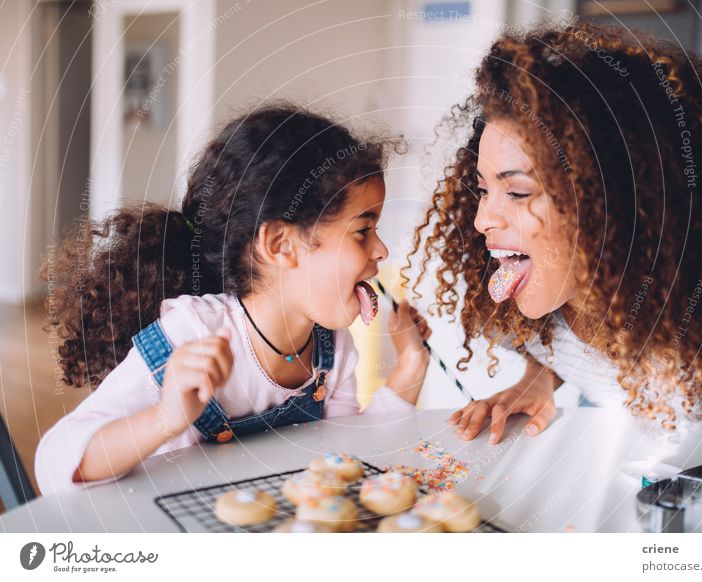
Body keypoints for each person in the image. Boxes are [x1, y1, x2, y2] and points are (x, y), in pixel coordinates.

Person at [406, 22, 702, 443]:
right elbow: (550, 348)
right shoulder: (517, 297)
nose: (484, 219)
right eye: (483, 190)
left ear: (615, 203)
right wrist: (537, 379)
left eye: (518, 192)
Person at [36, 104, 431, 494]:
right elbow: (54, 464)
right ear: (279, 245)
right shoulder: (192, 332)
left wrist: (411, 365)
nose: (381, 250)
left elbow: (345, 460)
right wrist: (165, 418)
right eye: (363, 231)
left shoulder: (333, 345)